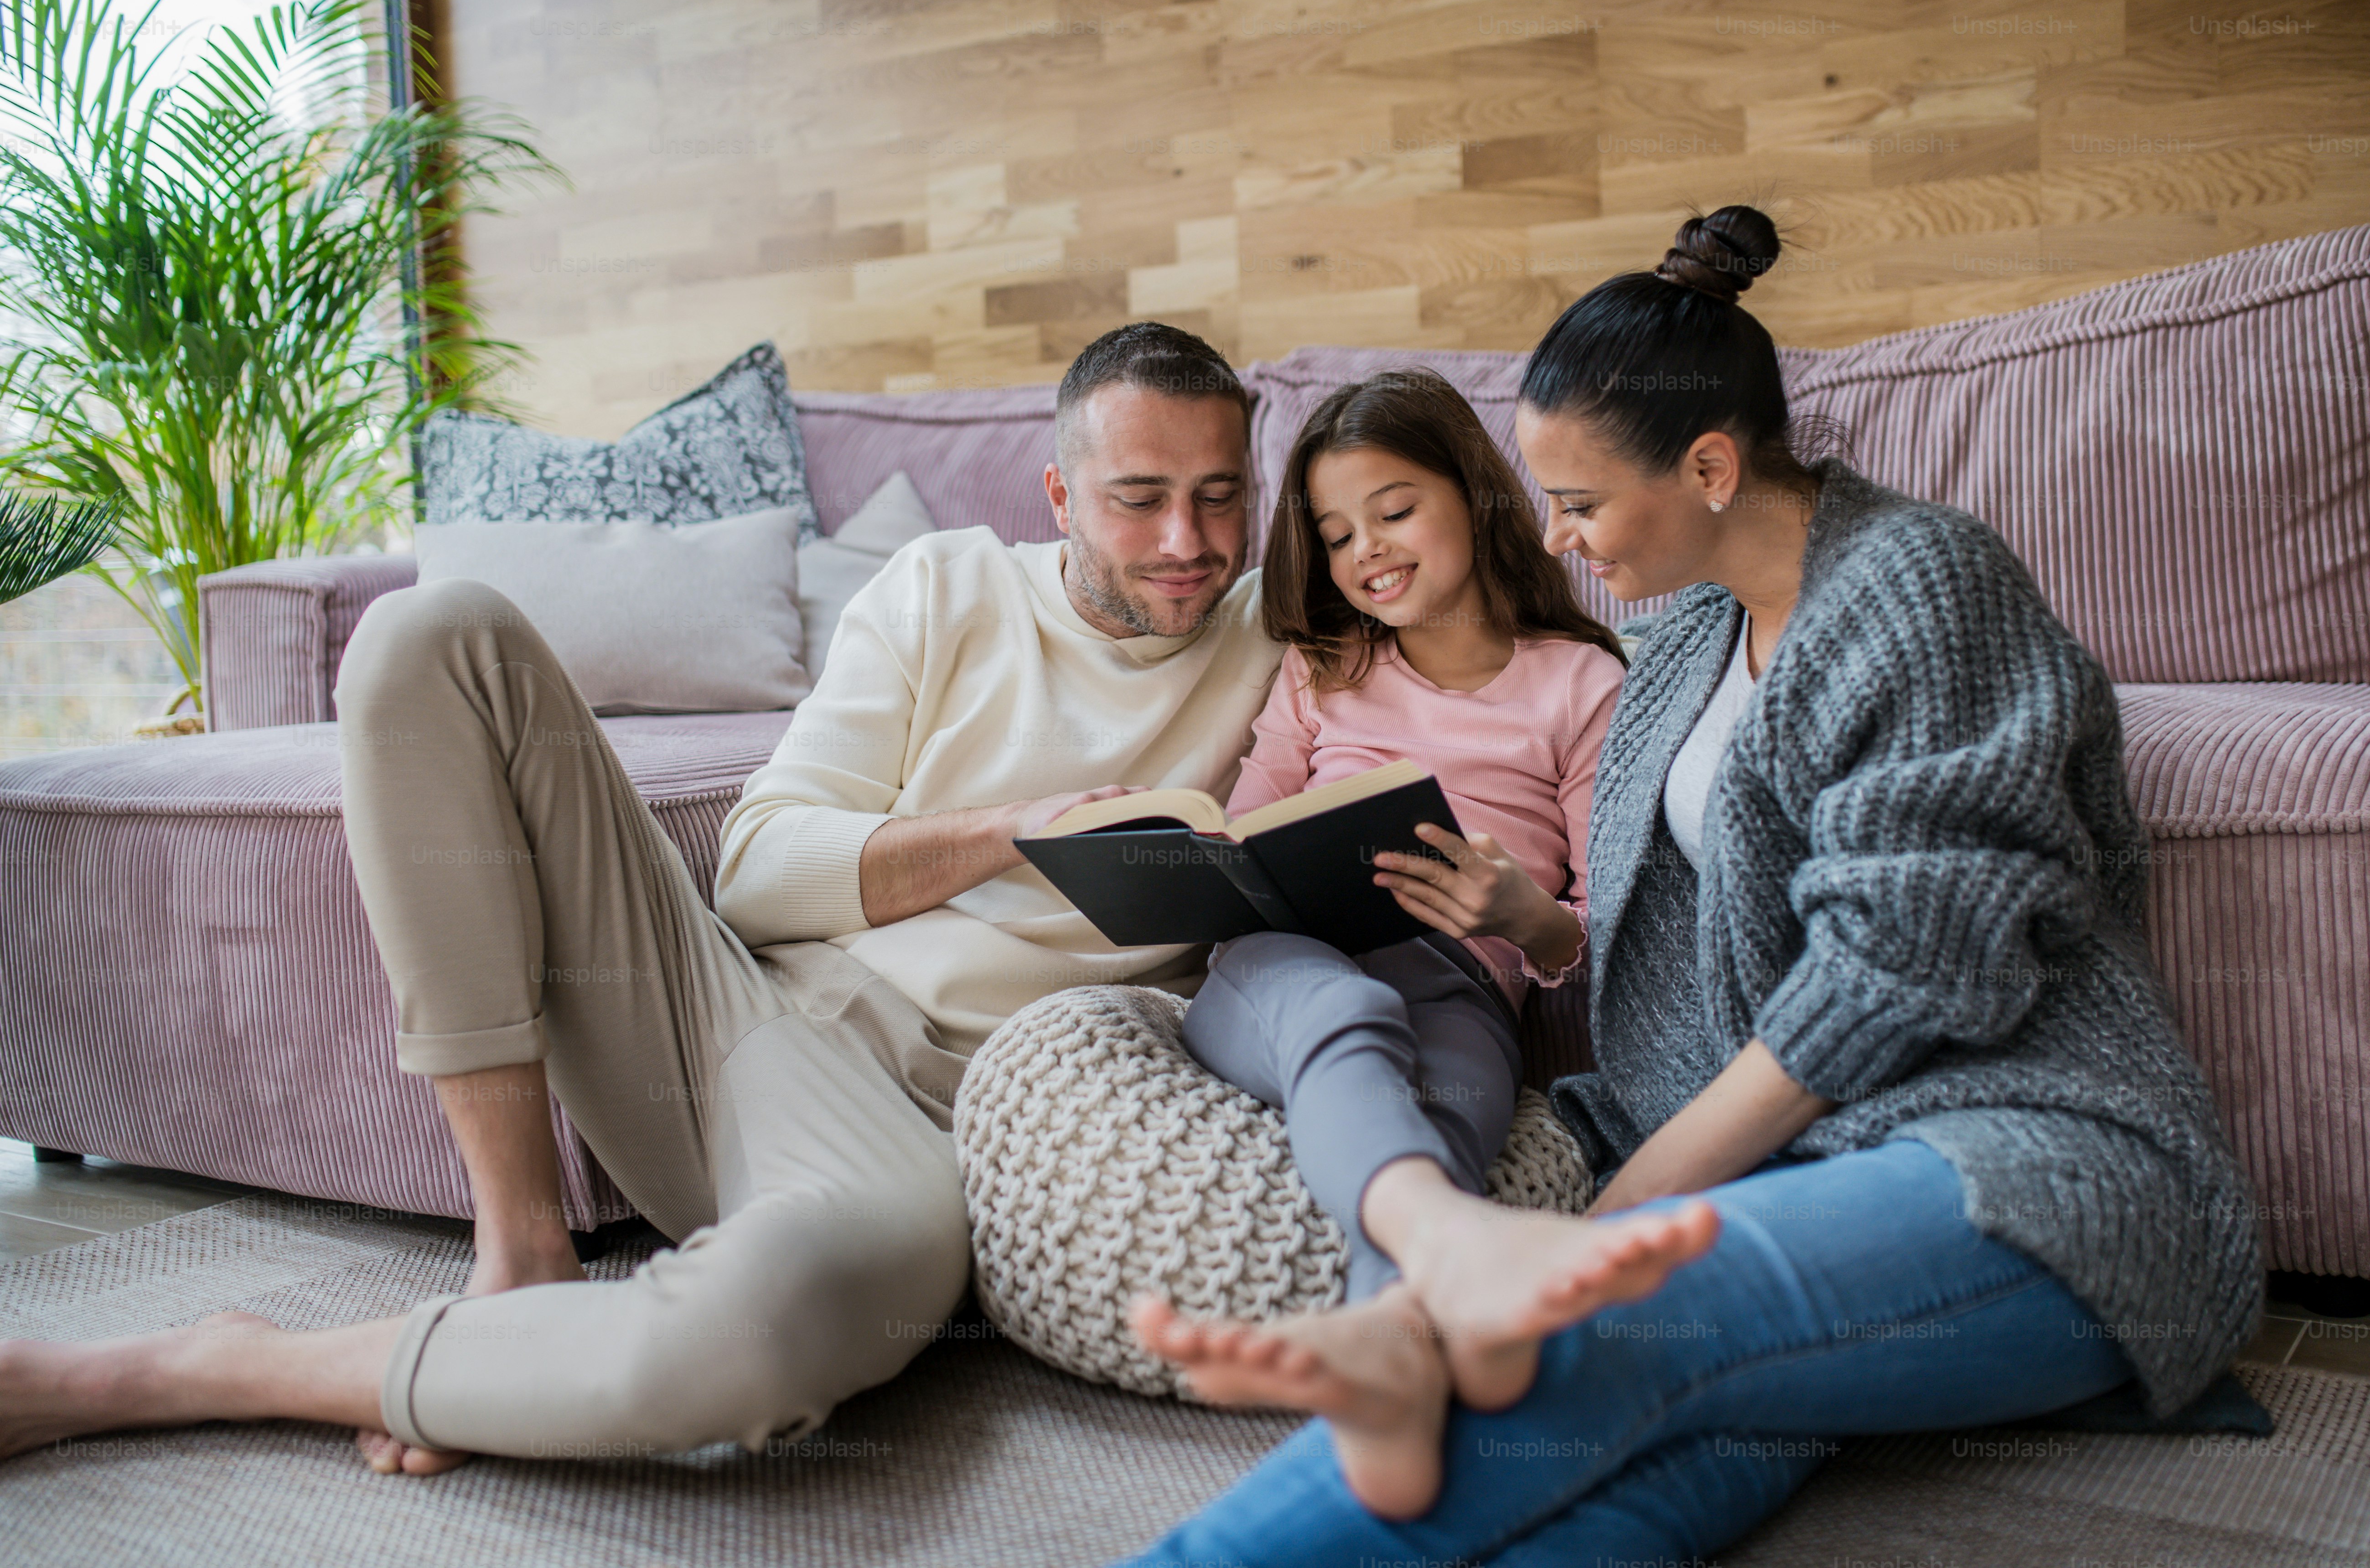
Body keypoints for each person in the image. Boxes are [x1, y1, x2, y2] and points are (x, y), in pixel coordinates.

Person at [1123, 207, 2266, 1565]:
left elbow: (1906, 963)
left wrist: (1614, 1212)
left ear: (1711, 464)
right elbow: (1652, 952)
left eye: (1585, 502)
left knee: (1570, 1347)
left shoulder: (1916, 582)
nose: (1552, 539)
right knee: (1621, 1495)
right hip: (1786, 1173)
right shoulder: (1675, 650)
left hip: (2022, 1162)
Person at [0, 321, 1289, 1473]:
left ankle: (223, 1367)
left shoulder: (1283, 637)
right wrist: (1012, 832)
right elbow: (760, 874)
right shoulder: (944, 587)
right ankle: (521, 1249)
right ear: (1060, 495)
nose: (1187, 544)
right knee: (424, 636)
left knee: (752, 1339)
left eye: (1219, 498)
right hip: (745, 1022)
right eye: (1138, 500)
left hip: (941, 1135)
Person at [1159, 366, 1695, 1518]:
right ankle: (1447, 1270)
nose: (1367, 552)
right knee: (1347, 1015)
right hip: (1281, 966)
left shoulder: (1581, 683)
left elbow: (1608, 925)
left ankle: (1388, 1351)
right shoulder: (1326, 669)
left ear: (1476, 495)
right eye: (1337, 532)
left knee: (1450, 1110)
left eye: (1393, 511)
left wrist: (1521, 918)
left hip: (1459, 980)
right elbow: (1236, 833)